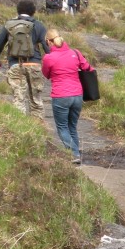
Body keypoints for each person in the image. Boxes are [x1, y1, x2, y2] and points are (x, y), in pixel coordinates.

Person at [41, 29, 93, 165]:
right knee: (72, 126)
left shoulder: (48, 58)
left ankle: (74, 154)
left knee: (62, 127)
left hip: (61, 96)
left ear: (48, 41)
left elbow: (46, 74)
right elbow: (88, 68)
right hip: (77, 95)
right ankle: (77, 153)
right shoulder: (75, 53)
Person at [0, 0, 49, 118]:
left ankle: (21, 128)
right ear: (33, 11)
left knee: (19, 99)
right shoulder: (39, 25)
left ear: (18, 11)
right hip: (35, 65)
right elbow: (47, 47)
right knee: (36, 100)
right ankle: (38, 129)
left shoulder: (9, 24)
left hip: (15, 65)